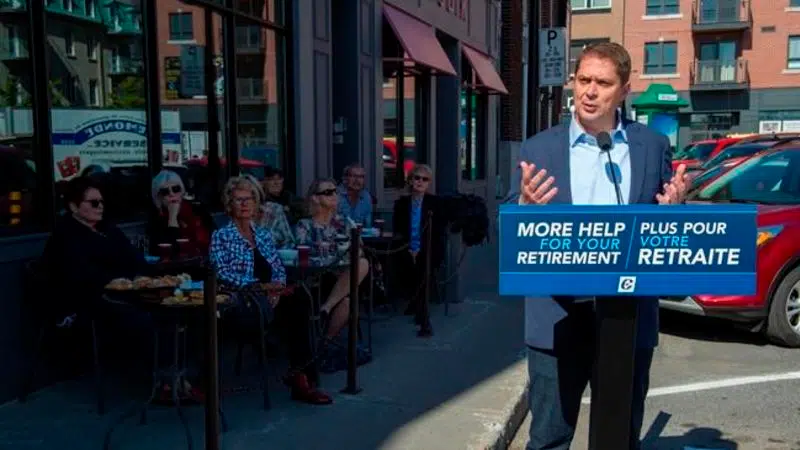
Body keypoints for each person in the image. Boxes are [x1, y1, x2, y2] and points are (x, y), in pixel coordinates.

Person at [507, 42, 689, 450]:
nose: (589, 92)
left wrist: (674, 211)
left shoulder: (652, 146)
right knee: (549, 437)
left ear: (624, 90)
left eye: (603, 83)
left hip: (629, 314)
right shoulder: (539, 148)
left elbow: (665, 231)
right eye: (583, 80)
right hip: (557, 314)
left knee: (619, 436)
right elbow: (509, 227)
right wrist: (523, 208)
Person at [210, 176, 332, 405]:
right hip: (245, 300)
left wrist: (276, 288)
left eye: (249, 199)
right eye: (238, 200)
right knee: (295, 309)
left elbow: (277, 267)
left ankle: (302, 377)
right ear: (229, 205)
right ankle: (300, 374)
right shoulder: (221, 236)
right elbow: (222, 273)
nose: (245, 204)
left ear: (256, 203)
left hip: (271, 298)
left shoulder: (263, 235)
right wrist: (260, 288)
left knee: (301, 298)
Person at [294, 178, 370, 345]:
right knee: (346, 301)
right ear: (315, 198)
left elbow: (359, 249)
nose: (334, 195)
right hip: (316, 279)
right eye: (328, 192)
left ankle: (325, 338)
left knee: (363, 265)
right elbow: (303, 249)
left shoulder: (345, 222)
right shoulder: (305, 225)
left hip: (342, 277)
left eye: (335, 191)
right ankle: (325, 331)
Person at [391, 164, 448, 322]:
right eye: (417, 178)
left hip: (429, 247)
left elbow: (439, 230)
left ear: (429, 183)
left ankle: (419, 305)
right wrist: (410, 248)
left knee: (424, 263)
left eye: (425, 179)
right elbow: (398, 229)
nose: (420, 182)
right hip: (406, 246)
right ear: (410, 180)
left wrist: (420, 249)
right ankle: (416, 301)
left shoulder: (436, 203)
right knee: (401, 262)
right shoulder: (401, 203)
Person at [146, 169, 214, 258]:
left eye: (175, 189)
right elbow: (167, 252)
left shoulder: (197, 210)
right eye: (165, 192)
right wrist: (172, 219)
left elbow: (215, 238)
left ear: (182, 191)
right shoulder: (156, 220)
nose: (171, 194)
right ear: (158, 198)